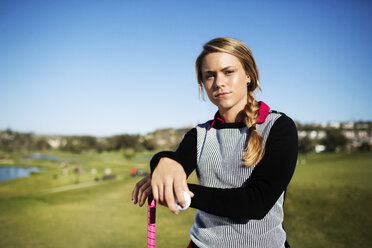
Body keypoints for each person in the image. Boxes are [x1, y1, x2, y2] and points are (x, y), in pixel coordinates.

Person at [131, 37, 298, 248]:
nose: (219, 83)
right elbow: (175, 160)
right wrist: (161, 163)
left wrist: (179, 190)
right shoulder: (199, 134)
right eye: (209, 75)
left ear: (248, 74)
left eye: (228, 72)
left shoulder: (279, 126)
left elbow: (256, 204)